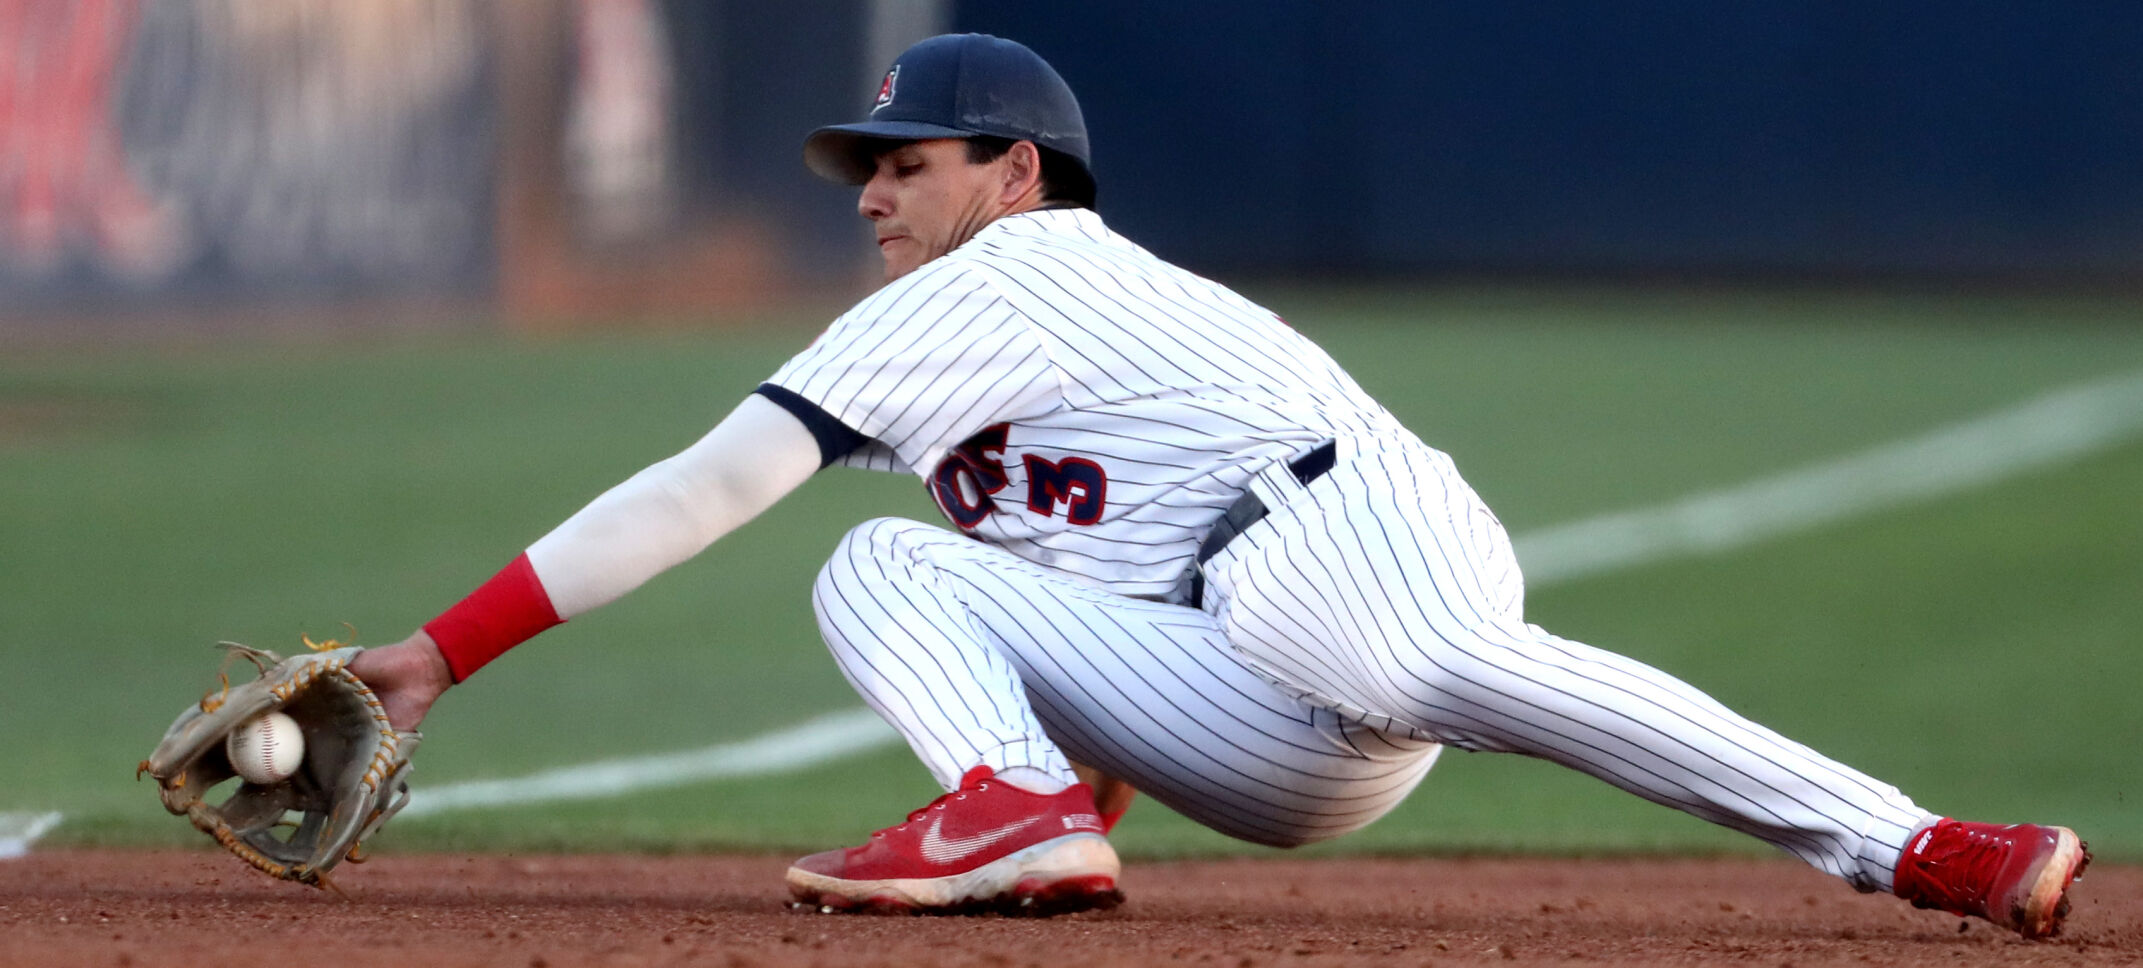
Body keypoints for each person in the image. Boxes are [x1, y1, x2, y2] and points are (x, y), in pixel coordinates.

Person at [349, 33, 2089, 934]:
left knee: (1414, 661)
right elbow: (1074, 565)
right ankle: (1016, 810)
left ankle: (1916, 843)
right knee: (884, 569)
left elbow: (710, 480)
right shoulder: (951, 317)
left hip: (1348, 530)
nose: (870, 192)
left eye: (907, 162)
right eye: (856, 167)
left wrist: (442, 650)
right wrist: (1095, 766)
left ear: (1013, 173)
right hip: (1254, 728)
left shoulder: (1007, 272)